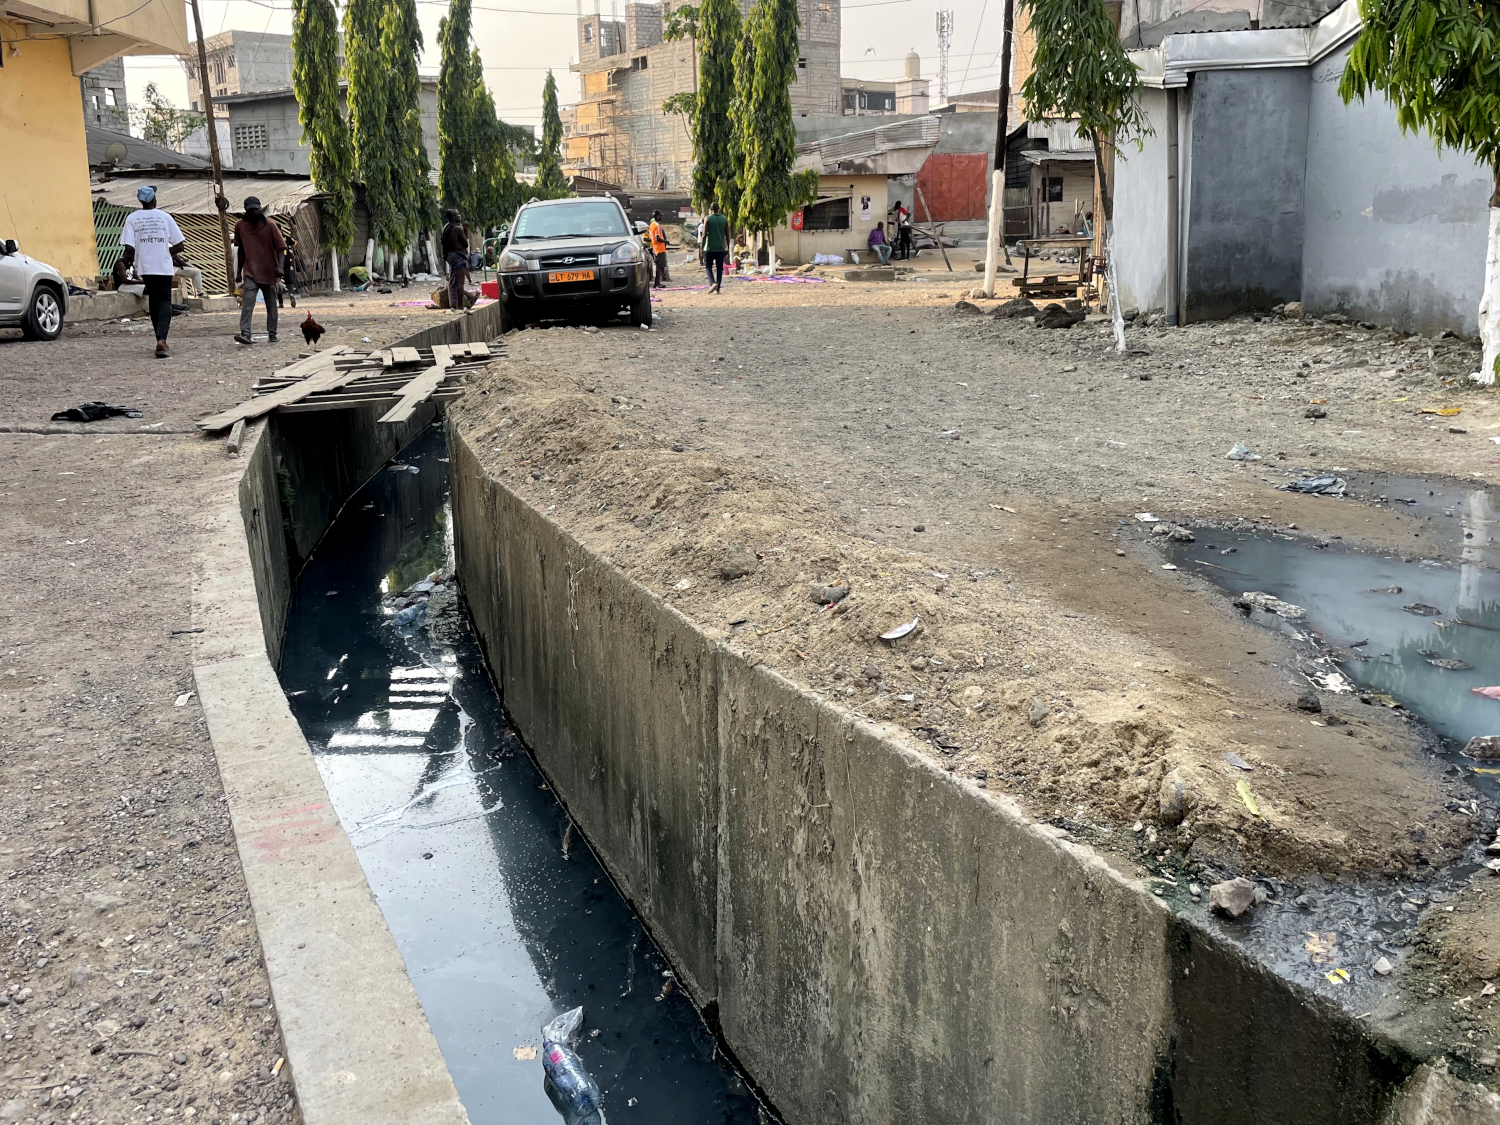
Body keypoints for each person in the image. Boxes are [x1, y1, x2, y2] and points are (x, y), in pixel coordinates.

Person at [118, 184, 185, 359]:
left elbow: (129, 248)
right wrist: (164, 250)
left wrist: (139, 254)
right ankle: (162, 339)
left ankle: (159, 338)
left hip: (145, 267)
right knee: (164, 301)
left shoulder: (132, 219)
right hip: (163, 266)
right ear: (154, 199)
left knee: (154, 301)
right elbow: (180, 245)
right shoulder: (165, 217)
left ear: (140, 201)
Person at [232, 196, 286, 345]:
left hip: (269, 271)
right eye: (251, 210)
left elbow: (281, 248)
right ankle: (245, 333)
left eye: (256, 209)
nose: (254, 213)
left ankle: (272, 333)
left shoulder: (270, 226)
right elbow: (241, 250)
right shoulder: (240, 226)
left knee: (271, 304)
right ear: (246, 211)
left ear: (260, 209)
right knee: (247, 303)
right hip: (250, 271)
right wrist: (238, 272)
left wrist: (280, 267)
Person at [441, 208, 470, 311]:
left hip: (450, 256)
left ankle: (453, 305)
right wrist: (465, 232)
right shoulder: (457, 229)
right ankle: (460, 306)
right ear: (453, 217)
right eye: (457, 215)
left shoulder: (446, 227)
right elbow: (465, 244)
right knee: (460, 281)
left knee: (452, 281)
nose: (459, 216)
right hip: (458, 256)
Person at [702, 201, 729, 293]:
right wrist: (727, 246)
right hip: (721, 247)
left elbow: (704, 234)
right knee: (719, 268)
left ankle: (713, 283)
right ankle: (718, 288)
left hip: (710, 247)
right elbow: (727, 235)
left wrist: (702, 247)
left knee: (708, 266)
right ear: (718, 209)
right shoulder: (724, 219)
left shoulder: (708, 218)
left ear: (711, 209)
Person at [648, 209, 669, 288]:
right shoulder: (657, 225)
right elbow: (657, 238)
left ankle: (657, 282)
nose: (661, 217)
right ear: (657, 216)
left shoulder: (651, 225)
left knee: (658, 266)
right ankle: (657, 283)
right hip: (660, 248)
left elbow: (651, 238)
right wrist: (666, 241)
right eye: (660, 216)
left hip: (655, 248)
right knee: (659, 266)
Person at [276, 232, 298, 309]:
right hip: (288, 264)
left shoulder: (274, 238)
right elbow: (295, 243)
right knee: (289, 282)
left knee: (278, 282)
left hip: (278, 264)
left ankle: (281, 303)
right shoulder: (287, 238)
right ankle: (291, 293)